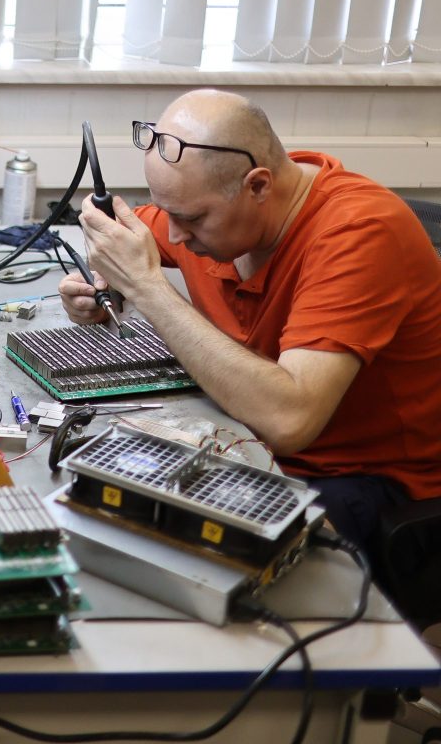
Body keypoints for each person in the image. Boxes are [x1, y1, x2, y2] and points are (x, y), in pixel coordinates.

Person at [59, 89, 441, 584]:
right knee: (99, 511)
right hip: (254, 442)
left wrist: (147, 287)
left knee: (186, 571)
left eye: (191, 219)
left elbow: (291, 418)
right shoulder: (215, 208)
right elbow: (126, 236)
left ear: (258, 185)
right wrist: (99, 282)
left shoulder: (360, 232)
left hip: (364, 479)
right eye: (165, 211)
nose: (172, 236)